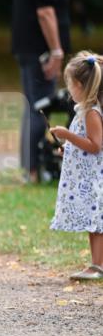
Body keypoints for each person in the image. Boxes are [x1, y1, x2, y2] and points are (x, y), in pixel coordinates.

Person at [5, 0, 70, 183]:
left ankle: (29, 168)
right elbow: (45, 13)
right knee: (40, 108)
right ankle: (33, 172)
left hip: (26, 50)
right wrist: (55, 51)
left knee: (31, 106)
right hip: (40, 53)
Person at [50, 51, 103, 281]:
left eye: (69, 84)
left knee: (97, 222)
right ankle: (96, 264)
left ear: (81, 85)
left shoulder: (92, 112)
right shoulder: (84, 110)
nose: (68, 89)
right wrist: (67, 150)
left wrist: (67, 136)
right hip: (88, 177)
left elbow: (95, 145)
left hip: (94, 179)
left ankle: (97, 266)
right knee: (94, 222)